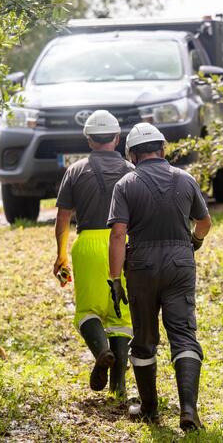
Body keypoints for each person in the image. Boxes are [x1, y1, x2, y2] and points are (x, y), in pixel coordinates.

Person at [106, 122, 213, 431]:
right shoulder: (185, 179)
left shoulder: (126, 184)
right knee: (183, 334)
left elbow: (117, 234)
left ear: (132, 155)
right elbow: (204, 222)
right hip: (181, 263)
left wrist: (115, 279)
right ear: (163, 149)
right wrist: (193, 243)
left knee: (144, 338)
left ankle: (150, 409)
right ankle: (189, 409)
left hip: (141, 267)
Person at [53, 110, 134, 397]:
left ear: (88, 140)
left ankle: (101, 351)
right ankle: (119, 386)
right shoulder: (130, 170)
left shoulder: (75, 170)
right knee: (121, 316)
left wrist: (61, 255)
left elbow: (63, 219)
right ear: (117, 138)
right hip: (121, 244)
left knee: (88, 311)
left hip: (86, 244)